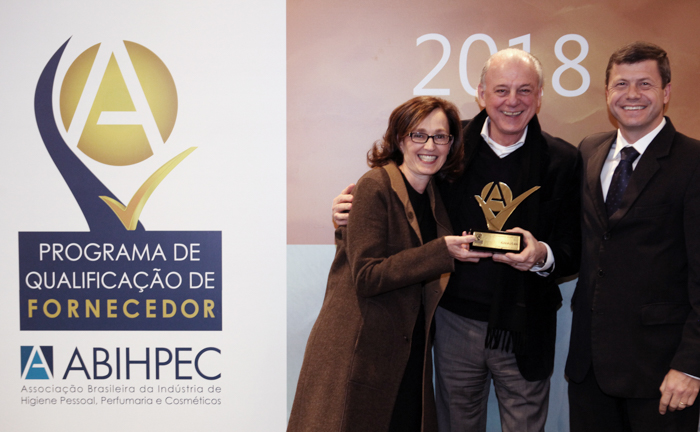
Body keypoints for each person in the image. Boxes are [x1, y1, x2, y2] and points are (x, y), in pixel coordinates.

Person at [333, 49, 581, 432]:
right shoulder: (449, 146)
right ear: (481, 93)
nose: (512, 101)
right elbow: (401, 189)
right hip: (453, 322)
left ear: (539, 96)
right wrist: (351, 210)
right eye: (501, 90)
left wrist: (540, 255)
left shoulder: (562, 159)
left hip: (526, 325)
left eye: (524, 90)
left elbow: (574, 248)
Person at [288, 96, 479, 432]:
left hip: (406, 349)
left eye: (440, 136)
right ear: (400, 139)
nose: (430, 146)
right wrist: (441, 252)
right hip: (361, 348)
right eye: (418, 135)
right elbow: (367, 275)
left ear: (451, 144)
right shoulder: (375, 185)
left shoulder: (437, 194)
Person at [566, 41, 700, 432]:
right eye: (621, 84)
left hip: (661, 374)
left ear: (666, 92)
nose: (632, 94)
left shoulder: (694, 162)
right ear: (607, 92)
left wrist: (690, 366)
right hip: (590, 370)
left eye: (645, 84)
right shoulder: (589, 150)